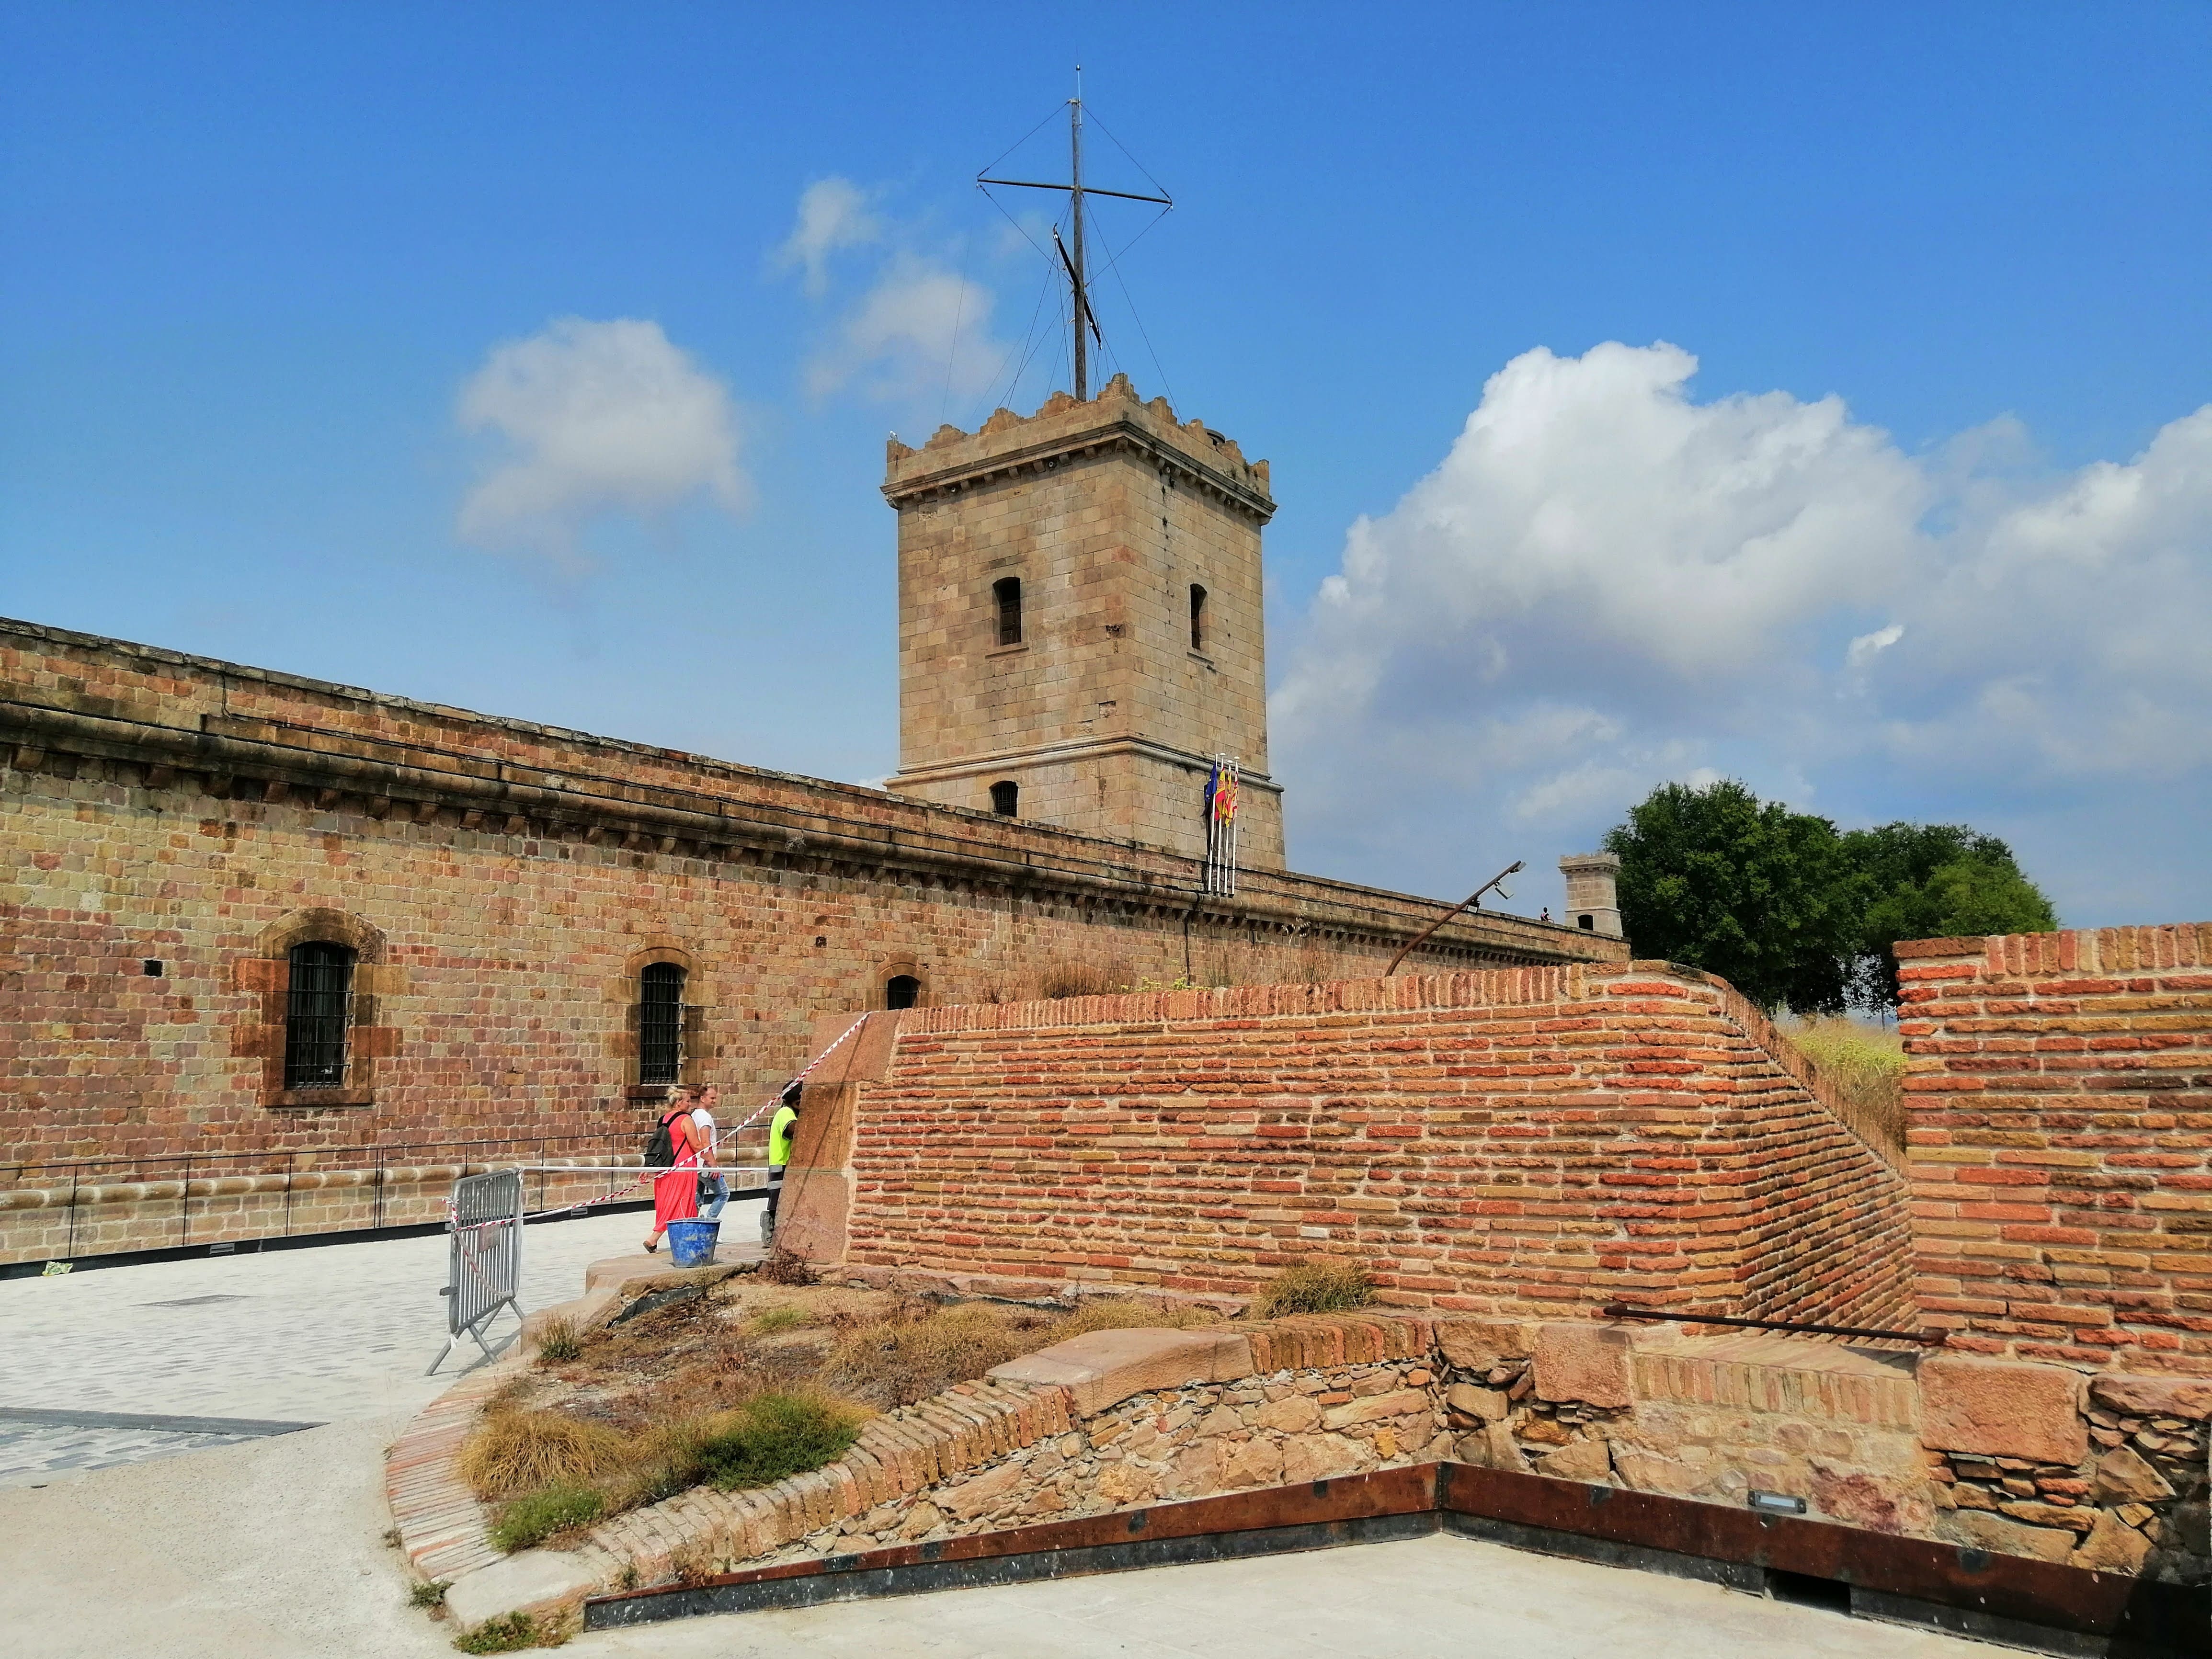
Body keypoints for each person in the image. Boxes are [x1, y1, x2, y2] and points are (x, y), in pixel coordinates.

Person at [642, 1088, 702, 1253]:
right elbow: (696, 1145)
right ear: (679, 1102)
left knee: (674, 1204)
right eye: (688, 1101)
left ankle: (688, 1240)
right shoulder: (685, 1119)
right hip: (682, 1167)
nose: (690, 1104)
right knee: (679, 1203)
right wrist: (711, 1152)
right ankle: (653, 1238)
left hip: (665, 1168)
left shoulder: (663, 1120)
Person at [762, 1080, 799, 1244]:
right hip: (781, 1165)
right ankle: (769, 1232)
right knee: (778, 1204)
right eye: (799, 1102)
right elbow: (792, 1129)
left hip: (784, 1164)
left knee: (781, 1202)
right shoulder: (786, 1114)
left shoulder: (789, 1112)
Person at [691, 1083, 727, 1222]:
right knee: (723, 1194)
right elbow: (706, 1142)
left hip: (697, 1164)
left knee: (698, 1197)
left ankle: (695, 1223)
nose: (714, 1101)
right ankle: (709, 1222)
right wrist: (714, 1166)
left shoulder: (694, 1115)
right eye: (712, 1098)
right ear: (702, 1098)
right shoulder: (705, 1118)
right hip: (705, 1164)